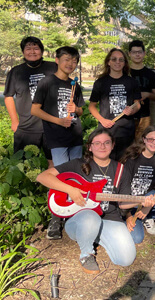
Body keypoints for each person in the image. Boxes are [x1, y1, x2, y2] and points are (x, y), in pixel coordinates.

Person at [36, 128, 155, 274]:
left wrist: (141, 202)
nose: (102, 146)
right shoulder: (77, 164)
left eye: (106, 143)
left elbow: (122, 203)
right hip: (80, 221)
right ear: (90, 147)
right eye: (97, 143)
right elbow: (42, 177)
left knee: (126, 259)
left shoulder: (120, 169)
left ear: (113, 145)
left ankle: (94, 237)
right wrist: (70, 190)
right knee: (91, 217)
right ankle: (86, 254)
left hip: (110, 219)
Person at [31, 46, 85, 240]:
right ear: (56, 59)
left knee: (76, 175)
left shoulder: (74, 84)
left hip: (75, 137)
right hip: (57, 137)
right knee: (60, 176)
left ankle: (75, 213)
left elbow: (81, 111)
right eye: (67, 59)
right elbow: (35, 110)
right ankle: (56, 218)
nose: (70, 64)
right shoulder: (46, 83)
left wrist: (76, 108)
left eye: (74, 61)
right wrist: (58, 121)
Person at [4, 36, 57, 167]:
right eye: (28, 48)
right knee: (23, 164)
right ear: (23, 52)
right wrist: (14, 121)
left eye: (36, 48)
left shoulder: (53, 68)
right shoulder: (16, 72)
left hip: (52, 125)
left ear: (42, 51)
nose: (32, 52)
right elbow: (8, 96)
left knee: (56, 163)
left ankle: (51, 187)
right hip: (26, 127)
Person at [88, 48, 142, 161]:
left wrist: (132, 110)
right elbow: (91, 106)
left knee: (125, 164)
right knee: (107, 164)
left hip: (126, 131)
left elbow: (138, 104)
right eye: (114, 59)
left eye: (121, 60)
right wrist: (102, 120)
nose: (117, 62)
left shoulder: (132, 82)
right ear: (108, 62)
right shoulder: (100, 82)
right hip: (107, 131)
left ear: (124, 63)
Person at [120, 125, 155, 237]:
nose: (154, 143)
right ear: (144, 139)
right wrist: (128, 215)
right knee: (137, 238)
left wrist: (147, 208)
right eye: (150, 139)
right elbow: (122, 189)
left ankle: (146, 217)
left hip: (147, 198)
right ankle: (131, 215)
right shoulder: (132, 157)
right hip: (129, 200)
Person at [128, 40, 155, 139]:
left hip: (144, 116)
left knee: (141, 144)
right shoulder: (124, 72)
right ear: (129, 54)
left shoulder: (150, 74)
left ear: (144, 53)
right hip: (126, 115)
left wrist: (147, 94)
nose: (137, 55)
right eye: (134, 52)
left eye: (139, 52)